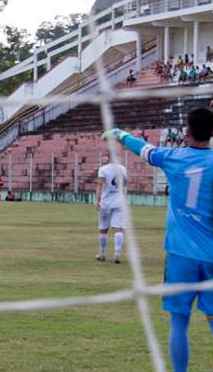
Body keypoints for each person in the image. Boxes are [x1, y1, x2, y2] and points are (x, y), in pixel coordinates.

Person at [102, 107, 213, 372]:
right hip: (211, 255)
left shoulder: (173, 157)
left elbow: (144, 150)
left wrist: (119, 134)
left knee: (179, 321)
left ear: (186, 132)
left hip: (180, 255)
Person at [94, 156, 127, 264]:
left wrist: (97, 200)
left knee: (103, 228)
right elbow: (125, 184)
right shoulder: (122, 169)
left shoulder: (103, 169)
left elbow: (100, 184)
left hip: (106, 202)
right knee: (118, 228)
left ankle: (102, 254)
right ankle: (117, 254)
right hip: (119, 202)